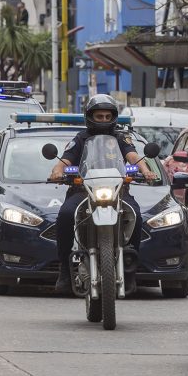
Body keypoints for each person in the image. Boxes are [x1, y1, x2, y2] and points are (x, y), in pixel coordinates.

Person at [49, 94, 157, 294]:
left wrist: (145, 170)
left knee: (136, 215)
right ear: (90, 117)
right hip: (83, 190)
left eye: (108, 116)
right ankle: (64, 269)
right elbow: (66, 159)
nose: (104, 120)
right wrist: (57, 170)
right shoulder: (81, 138)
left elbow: (132, 155)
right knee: (64, 215)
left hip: (116, 191)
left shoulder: (121, 137)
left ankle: (130, 269)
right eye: (100, 116)